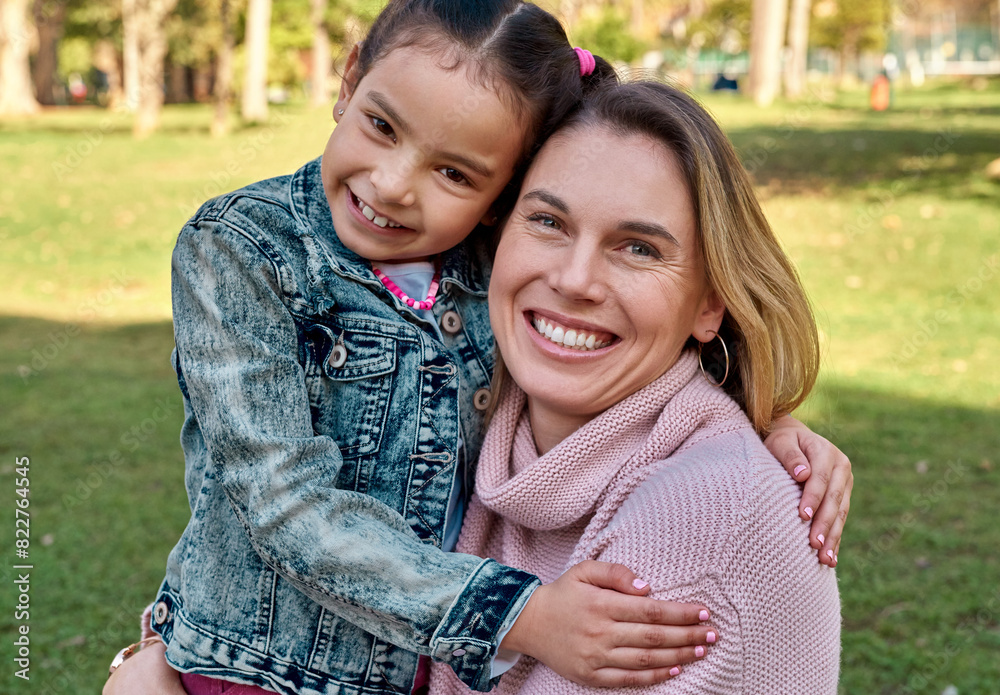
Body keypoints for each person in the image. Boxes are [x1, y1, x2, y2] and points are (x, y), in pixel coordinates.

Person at [104, 2, 851, 693]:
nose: (395, 186)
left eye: (454, 172)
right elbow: (278, 498)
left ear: (491, 198)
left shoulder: (475, 268)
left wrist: (765, 435)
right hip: (253, 667)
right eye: (382, 126)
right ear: (350, 78)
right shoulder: (248, 250)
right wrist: (519, 614)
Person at [428, 79, 842, 694]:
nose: (574, 279)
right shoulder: (464, 412)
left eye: (638, 248)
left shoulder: (703, 510)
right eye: (547, 220)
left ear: (711, 305)